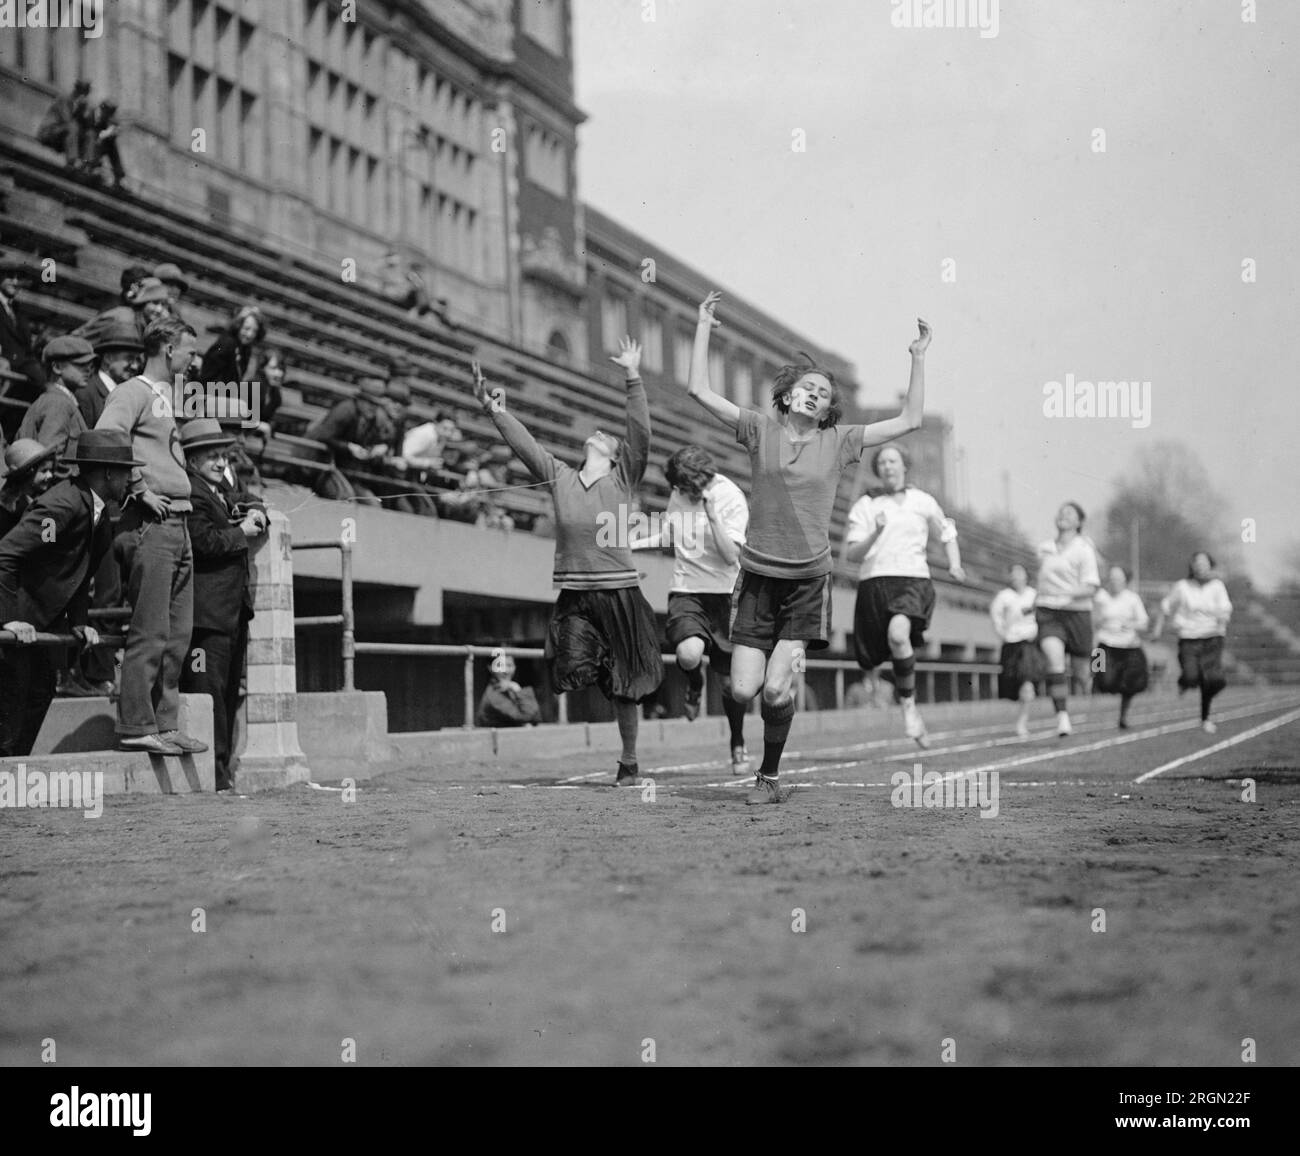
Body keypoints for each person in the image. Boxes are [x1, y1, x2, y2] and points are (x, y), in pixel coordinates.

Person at [687, 290, 930, 804]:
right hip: (756, 577)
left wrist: (917, 358)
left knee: (776, 691)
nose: (816, 394)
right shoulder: (757, 429)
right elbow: (698, 390)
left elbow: (910, 420)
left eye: (824, 392)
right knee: (741, 690)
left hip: (806, 582)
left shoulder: (838, 440)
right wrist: (703, 325)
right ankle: (769, 712)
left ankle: (769, 776)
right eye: (808, 387)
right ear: (788, 394)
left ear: (828, 409)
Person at [472, 340, 662, 785]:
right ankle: (604, 674)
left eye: (606, 436)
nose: (597, 432)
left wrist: (633, 377)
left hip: (619, 594)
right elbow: (526, 446)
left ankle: (629, 761)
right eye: (595, 433)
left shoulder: (623, 476)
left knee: (625, 686)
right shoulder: (560, 475)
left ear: (616, 454)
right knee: (570, 664)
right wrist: (494, 409)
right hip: (576, 593)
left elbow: (642, 433)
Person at [94, 316, 208, 757]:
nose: (194, 361)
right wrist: (139, 488)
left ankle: (166, 723)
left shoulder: (171, 396)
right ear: (166, 350)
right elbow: (106, 437)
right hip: (150, 522)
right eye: (189, 352)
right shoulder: (132, 392)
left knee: (179, 635)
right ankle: (137, 724)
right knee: (151, 628)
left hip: (180, 520)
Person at [0, 430, 137, 757]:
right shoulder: (62, 503)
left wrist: (78, 622)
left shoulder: (99, 510)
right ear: (106, 472)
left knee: (38, 696)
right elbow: (5, 554)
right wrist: (9, 621)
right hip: (17, 622)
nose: (131, 479)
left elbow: (81, 569)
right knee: (9, 710)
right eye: (125, 471)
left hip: (45, 625)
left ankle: (13, 789)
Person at [630, 444, 752, 773]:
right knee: (687, 654)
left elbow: (732, 557)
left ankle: (737, 743)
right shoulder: (679, 494)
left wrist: (712, 518)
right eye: (678, 489)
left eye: (686, 488)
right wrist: (631, 545)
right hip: (687, 590)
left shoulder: (730, 497)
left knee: (731, 686)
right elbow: (670, 536)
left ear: (701, 481)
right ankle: (694, 683)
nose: (681, 493)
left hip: (726, 594)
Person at [844, 443, 964, 748]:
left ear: (904, 465)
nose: (887, 466)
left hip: (911, 579)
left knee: (899, 636)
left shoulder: (922, 501)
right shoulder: (866, 504)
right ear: (877, 469)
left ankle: (909, 708)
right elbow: (852, 554)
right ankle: (910, 705)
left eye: (893, 460)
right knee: (870, 658)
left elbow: (947, 532)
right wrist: (876, 532)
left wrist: (955, 563)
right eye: (882, 462)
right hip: (874, 583)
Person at [177, 419, 268, 792]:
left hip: (229, 612)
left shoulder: (216, 491)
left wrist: (249, 513)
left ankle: (221, 772)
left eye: (221, 456)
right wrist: (240, 532)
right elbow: (202, 542)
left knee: (228, 694)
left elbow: (239, 504)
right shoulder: (194, 493)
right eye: (211, 456)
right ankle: (211, 774)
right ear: (192, 459)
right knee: (207, 693)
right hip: (207, 616)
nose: (219, 463)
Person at [1034, 501, 1101, 737]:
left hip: (1077, 612)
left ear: (1079, 522)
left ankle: (1092, 679)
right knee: (1055, 660)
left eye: (1069, 513)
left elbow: (1091, 588)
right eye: (1061, 511)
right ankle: (1062, 717)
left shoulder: (1084, 549)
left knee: (1083, 672)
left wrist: (1065, 593)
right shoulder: (1044, 548)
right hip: (1049, 612)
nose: (1063, 515)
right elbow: (1040, 580)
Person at [1152, 551, 1233, 734]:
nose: (1200, 567)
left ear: (1211, 567)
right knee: (1191, 677)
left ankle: (1205, 718)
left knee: (1215, 681)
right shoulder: (1182, 586)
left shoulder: (1217, 586)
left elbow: (1225, 609)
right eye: (1197, 563)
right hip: (1189, 638)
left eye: (1204, 563)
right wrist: (1157, 629)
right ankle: (1184, 683)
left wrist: (1222, 621)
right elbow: (1165, 606)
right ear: (1192, 567)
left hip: (1212, 638)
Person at [305, 373, 395, 503]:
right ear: (360, 400)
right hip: (321, 465)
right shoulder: (345, 410)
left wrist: (380, 448)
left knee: (372, 503)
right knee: (345, 497)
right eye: (370, 402)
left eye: (376, 404)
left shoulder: (375, 418)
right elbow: (323, 436)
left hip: (347, 471)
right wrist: (349, 447)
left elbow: (384, 440)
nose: (373, 408)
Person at [16, 336, 97, 461]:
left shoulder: (59, 400)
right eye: (80, 364)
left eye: (90, 364)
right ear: (57, 367)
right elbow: (49, 461)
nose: (88, 369)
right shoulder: (58, 403)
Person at [989, 562, 1045, 737]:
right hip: (1011, 644)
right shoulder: (1004, 597)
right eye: (1013, 574)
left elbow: (1042, 617)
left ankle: (1022, 721)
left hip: (1029, 644)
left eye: (1020, 573)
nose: (1016, 577)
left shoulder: (1033, 595)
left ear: (1026, 576)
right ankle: (1023, 705)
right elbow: (995, 616)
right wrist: (1002, 633)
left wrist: (1037, 633)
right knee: (1014, 684)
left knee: (1027, 681)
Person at [1092, 565, 1151, 730]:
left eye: (1118, 579)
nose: (1114, 582)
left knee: (1132, 683)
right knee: (1102, 680)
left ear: (1125, 580)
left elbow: (1144, 624)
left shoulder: (1133, 599)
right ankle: (1091, 703)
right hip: (1104, 645)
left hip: (1129, 645)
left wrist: (1130, 624)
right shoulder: (1100, 597)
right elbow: (1093, 620)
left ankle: (1123, 716)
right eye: (1111, 579)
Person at [0, 258, 45, 421]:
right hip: (8, 361)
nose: (16, 281)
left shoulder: (18, 311)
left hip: (21, 364)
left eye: (19, 278)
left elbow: (25, 345)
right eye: (10, 277)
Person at [80, 319, 144, 428]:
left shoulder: (132, 396)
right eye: (129, 359)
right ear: (108, 358)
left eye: (137, 360)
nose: (135, 366)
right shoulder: (86, 394)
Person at [0, 439, 58, 538]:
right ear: (27, 474)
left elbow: (49, 539)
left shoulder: (46, 500)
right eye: (44, 471)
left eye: (50, 470)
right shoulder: (7, 512)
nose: (50, 475)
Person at [202, 305, 266, 390]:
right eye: (246, 329)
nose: (250, 335)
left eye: (255, 331)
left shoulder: (245, 349)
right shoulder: (226, 344)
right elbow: (208, 377)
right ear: (238, 326)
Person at [475, 652, 542, 728]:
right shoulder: (494, 695)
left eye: (509, 665)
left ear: (515, 667)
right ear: (490, 668)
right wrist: (517, 690)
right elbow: (528, 716)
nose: (505, 671)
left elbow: (537, 717)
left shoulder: (508, 688)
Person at [36, 80, 92, 169]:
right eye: (83, 92)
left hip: (63, 135)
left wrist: (84, 114)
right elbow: (67, 119)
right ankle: (71, 162)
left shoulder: (80, 104)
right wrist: (79, 110)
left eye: (86, 94)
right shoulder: (64, 98)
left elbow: (85, 126)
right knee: (73, 126)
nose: (84, 96)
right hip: (49, 132)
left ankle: (87, 164)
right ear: (77, 90)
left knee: (89, 134)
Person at [87, 99, 126, 190]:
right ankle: (93, 167)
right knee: (92, 136)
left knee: (111, 144)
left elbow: (105, 133)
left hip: (96, 143)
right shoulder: (91, 113)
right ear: (102, 109)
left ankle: (119, 176)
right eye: (108, 112)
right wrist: (102, 135)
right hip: (86, 141)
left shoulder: (106, 120)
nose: (108, 116)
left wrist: (111, 133)